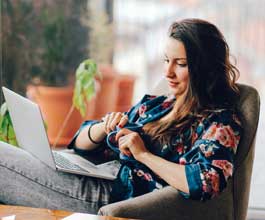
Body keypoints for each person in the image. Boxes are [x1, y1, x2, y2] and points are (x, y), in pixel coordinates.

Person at [0, 18, 242, 214]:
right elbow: (81, 145)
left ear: (205, 68)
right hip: (99, 172)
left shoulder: (219, 122)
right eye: (166, 60)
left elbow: (207, 182)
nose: (167, 72)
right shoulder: (158, 105)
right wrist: (104, 128)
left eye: (181, 64)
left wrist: (143, 155)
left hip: (116, 195)